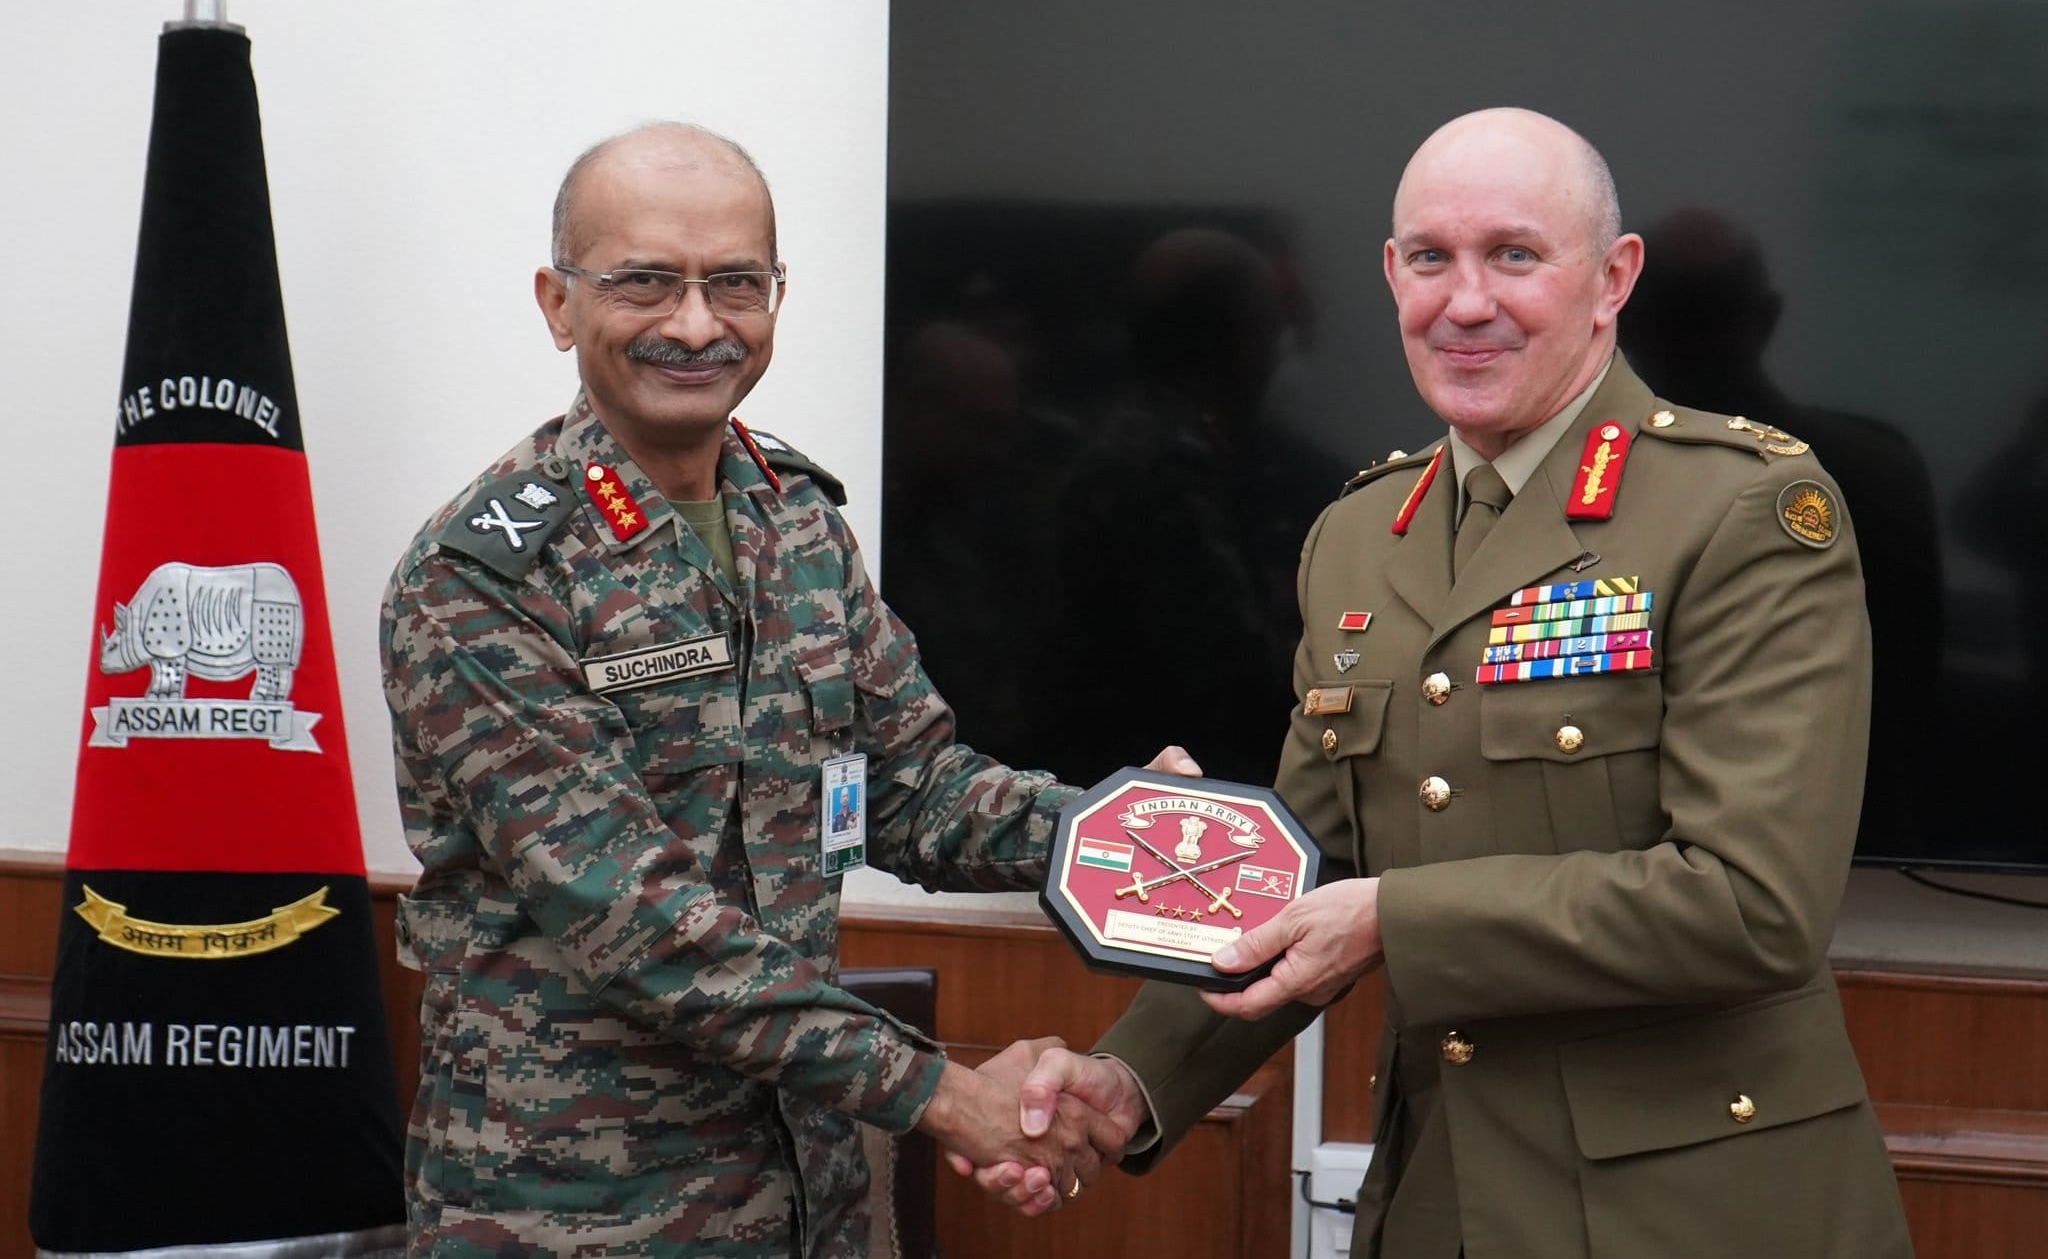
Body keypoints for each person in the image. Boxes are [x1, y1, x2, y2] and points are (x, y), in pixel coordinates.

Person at [972, 108, 1913, 1258]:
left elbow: (1749, 905)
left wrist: (1390, 920)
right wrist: (1130, 1078)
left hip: (1687, 1207)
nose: (1464, 302)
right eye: (1430, 258)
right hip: (1441, 1196)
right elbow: (1297, 877)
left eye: (1513, 254)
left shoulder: (1741, 509)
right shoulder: (1359, 535)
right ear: (1389, 274)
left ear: (1612, 277)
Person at [380, 122, 1191, 1258]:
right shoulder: (478, 578)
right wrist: (947, 1095)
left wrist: (1124, 832)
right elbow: (645, 926)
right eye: (644, 282)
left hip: (806, 1196)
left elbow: (906, 788)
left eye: (735, 283)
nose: (697, 323)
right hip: (574, 1215)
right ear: (557, 304)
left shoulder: (793, 516)